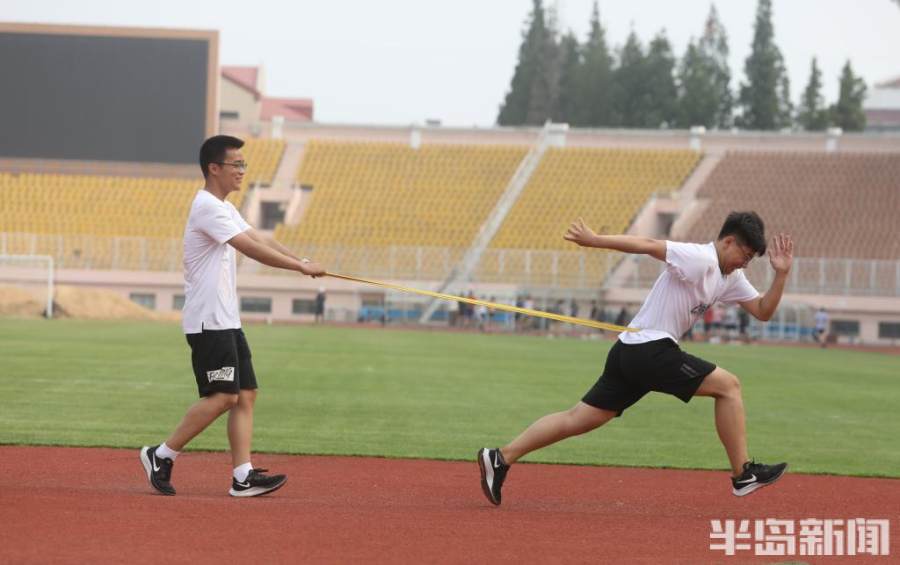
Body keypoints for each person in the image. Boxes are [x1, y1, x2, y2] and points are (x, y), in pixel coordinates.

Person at [478, 211, 794, 505]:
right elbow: (647, 245)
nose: (745, 264)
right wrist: (595, 241)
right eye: (745, 255)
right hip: (649, 349)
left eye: (751, 259)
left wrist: (780, 275)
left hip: (630, 351)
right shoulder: (700, 258)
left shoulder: (731, 277)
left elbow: (763, 311)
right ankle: (742, 473)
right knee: (729, 386)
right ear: (728, 242)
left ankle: (500, 457)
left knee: (579, 419)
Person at [140, 135, 325, 497]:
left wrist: (301, 260)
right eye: (236, 165)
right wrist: (299, 270)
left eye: (244, 165)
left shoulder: (224, 207)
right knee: (224, 396)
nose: (242, 171)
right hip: (208, 321)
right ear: (214, 168)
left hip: (227, 320)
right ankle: (160, 454)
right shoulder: (206, 207)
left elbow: (259, 237)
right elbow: (251, 249)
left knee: (245, 394)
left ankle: (243, 476)